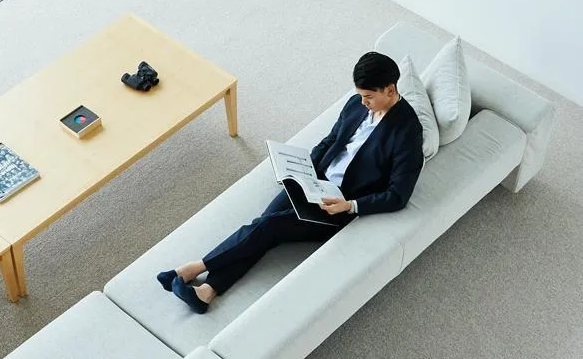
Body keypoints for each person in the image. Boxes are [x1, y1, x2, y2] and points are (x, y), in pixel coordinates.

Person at [158, 51, 423, 313]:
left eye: (369, 97)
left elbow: (398, 195)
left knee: (269, 226)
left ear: (389, 90)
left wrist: (350, 205)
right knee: (262, 226)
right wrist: (300, 169)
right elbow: (331, 141)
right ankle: (206, 292)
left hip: (338, 207)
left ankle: (193, 268)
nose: (362, 102)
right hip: (314, 182)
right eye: (361, 95)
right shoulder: (356, 103)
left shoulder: (408, 132)